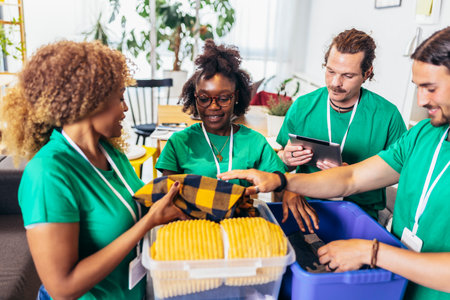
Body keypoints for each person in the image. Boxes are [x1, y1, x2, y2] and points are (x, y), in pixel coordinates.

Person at [218, 27, 450, 300]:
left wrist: (371, 252)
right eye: (418, 88)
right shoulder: (424, 133)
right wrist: (283, 179)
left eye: (430, 88)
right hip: (398, 281)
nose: (421, 101)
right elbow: (352, 178)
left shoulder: (387, 115)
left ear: (366, 73)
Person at [0, 41, 187, 299]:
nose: (125, 109)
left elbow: (138, 202)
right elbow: (62, 288)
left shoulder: (109, 151)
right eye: (120, 97)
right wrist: (147, 223)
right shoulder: (47, 174)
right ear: (91, 99)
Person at [155, 39, 319, 232]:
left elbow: (278, 179)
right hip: (192, 229)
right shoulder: (179, 142)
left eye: (223, 98)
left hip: (239, 228)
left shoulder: (254, 141)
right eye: (204, 98)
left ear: (236, 97)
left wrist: (290, 189)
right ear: (195, 97)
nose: (213, 106)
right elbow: (167, 197)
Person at [277, 28, 406, 219]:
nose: (335, 83)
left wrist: (351, 175)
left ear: (367, 73)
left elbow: (403, 172)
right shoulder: (302, 106)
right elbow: (278, 164)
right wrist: (286, 160)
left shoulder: (387, 115)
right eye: (330, 71)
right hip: (306, 207)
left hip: (361, 213)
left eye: (348, 76)